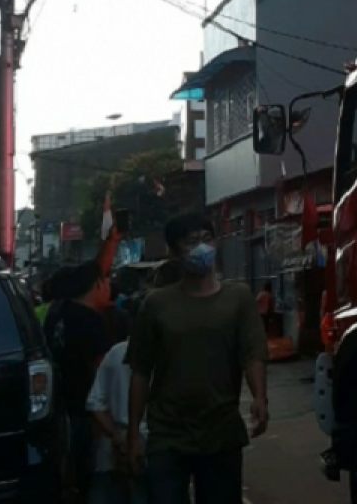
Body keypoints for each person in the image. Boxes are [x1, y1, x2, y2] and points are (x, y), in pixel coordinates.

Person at [126, 214, 270, 504]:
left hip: (222, 432)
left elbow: (253, 352)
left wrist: (260, 397)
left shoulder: (238, 298)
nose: (202, 247)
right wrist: (132, 433)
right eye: (191, 242)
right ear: (173, 251)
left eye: (207, 239)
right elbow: (141, 370)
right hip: (167, 435)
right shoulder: (156, 305)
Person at [44, 261, 114, 503]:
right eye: (106, 282)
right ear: (96, 285)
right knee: (91, 470)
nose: (109, 287)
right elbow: (101, 368)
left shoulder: (56, 313)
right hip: (87, 409)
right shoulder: (92, 320)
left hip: (61, 406)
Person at [86, 309, 149, 504]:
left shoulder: (116, 353)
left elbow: (94, 403)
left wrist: (117, 437)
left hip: (113, 448)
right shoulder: (169, 355)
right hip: (153, 446)